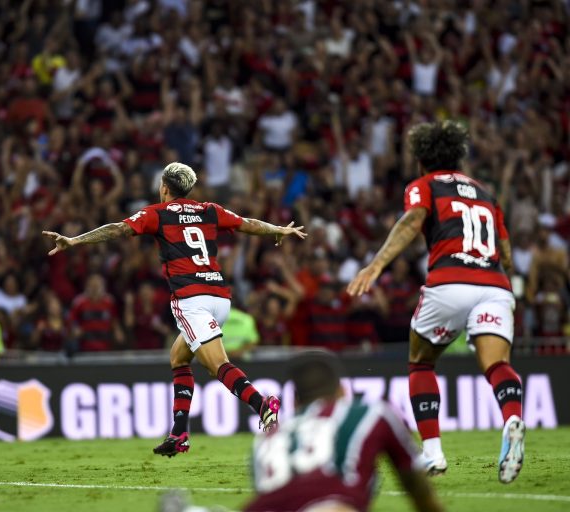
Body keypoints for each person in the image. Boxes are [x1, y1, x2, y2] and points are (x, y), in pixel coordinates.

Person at [43, 162, 306, 456]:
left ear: (164, 188)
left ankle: (263, 405)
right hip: (220, 298)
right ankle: (179, 433)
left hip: (190, 299)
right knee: (179, 358)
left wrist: (75, 240)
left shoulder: (158, 213)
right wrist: (278, 229)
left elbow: (118, 229)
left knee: (217, 364)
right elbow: (249, 224)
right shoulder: (209, 209)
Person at [347, 121, 525, 483]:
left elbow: (413, 220)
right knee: (496, 364)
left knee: (420, 362)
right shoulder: (485, 192)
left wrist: (377, 264)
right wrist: (510, 283)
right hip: (495, 285)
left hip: (450, 283)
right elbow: (506, 251)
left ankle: (432, 453)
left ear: (420, 160)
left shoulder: (424, 185)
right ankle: (512, 418)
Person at [245, 350, 444, 512]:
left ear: (295, 402)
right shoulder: (373, 412)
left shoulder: (265, 439)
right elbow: (417, 486)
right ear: (342, 390)